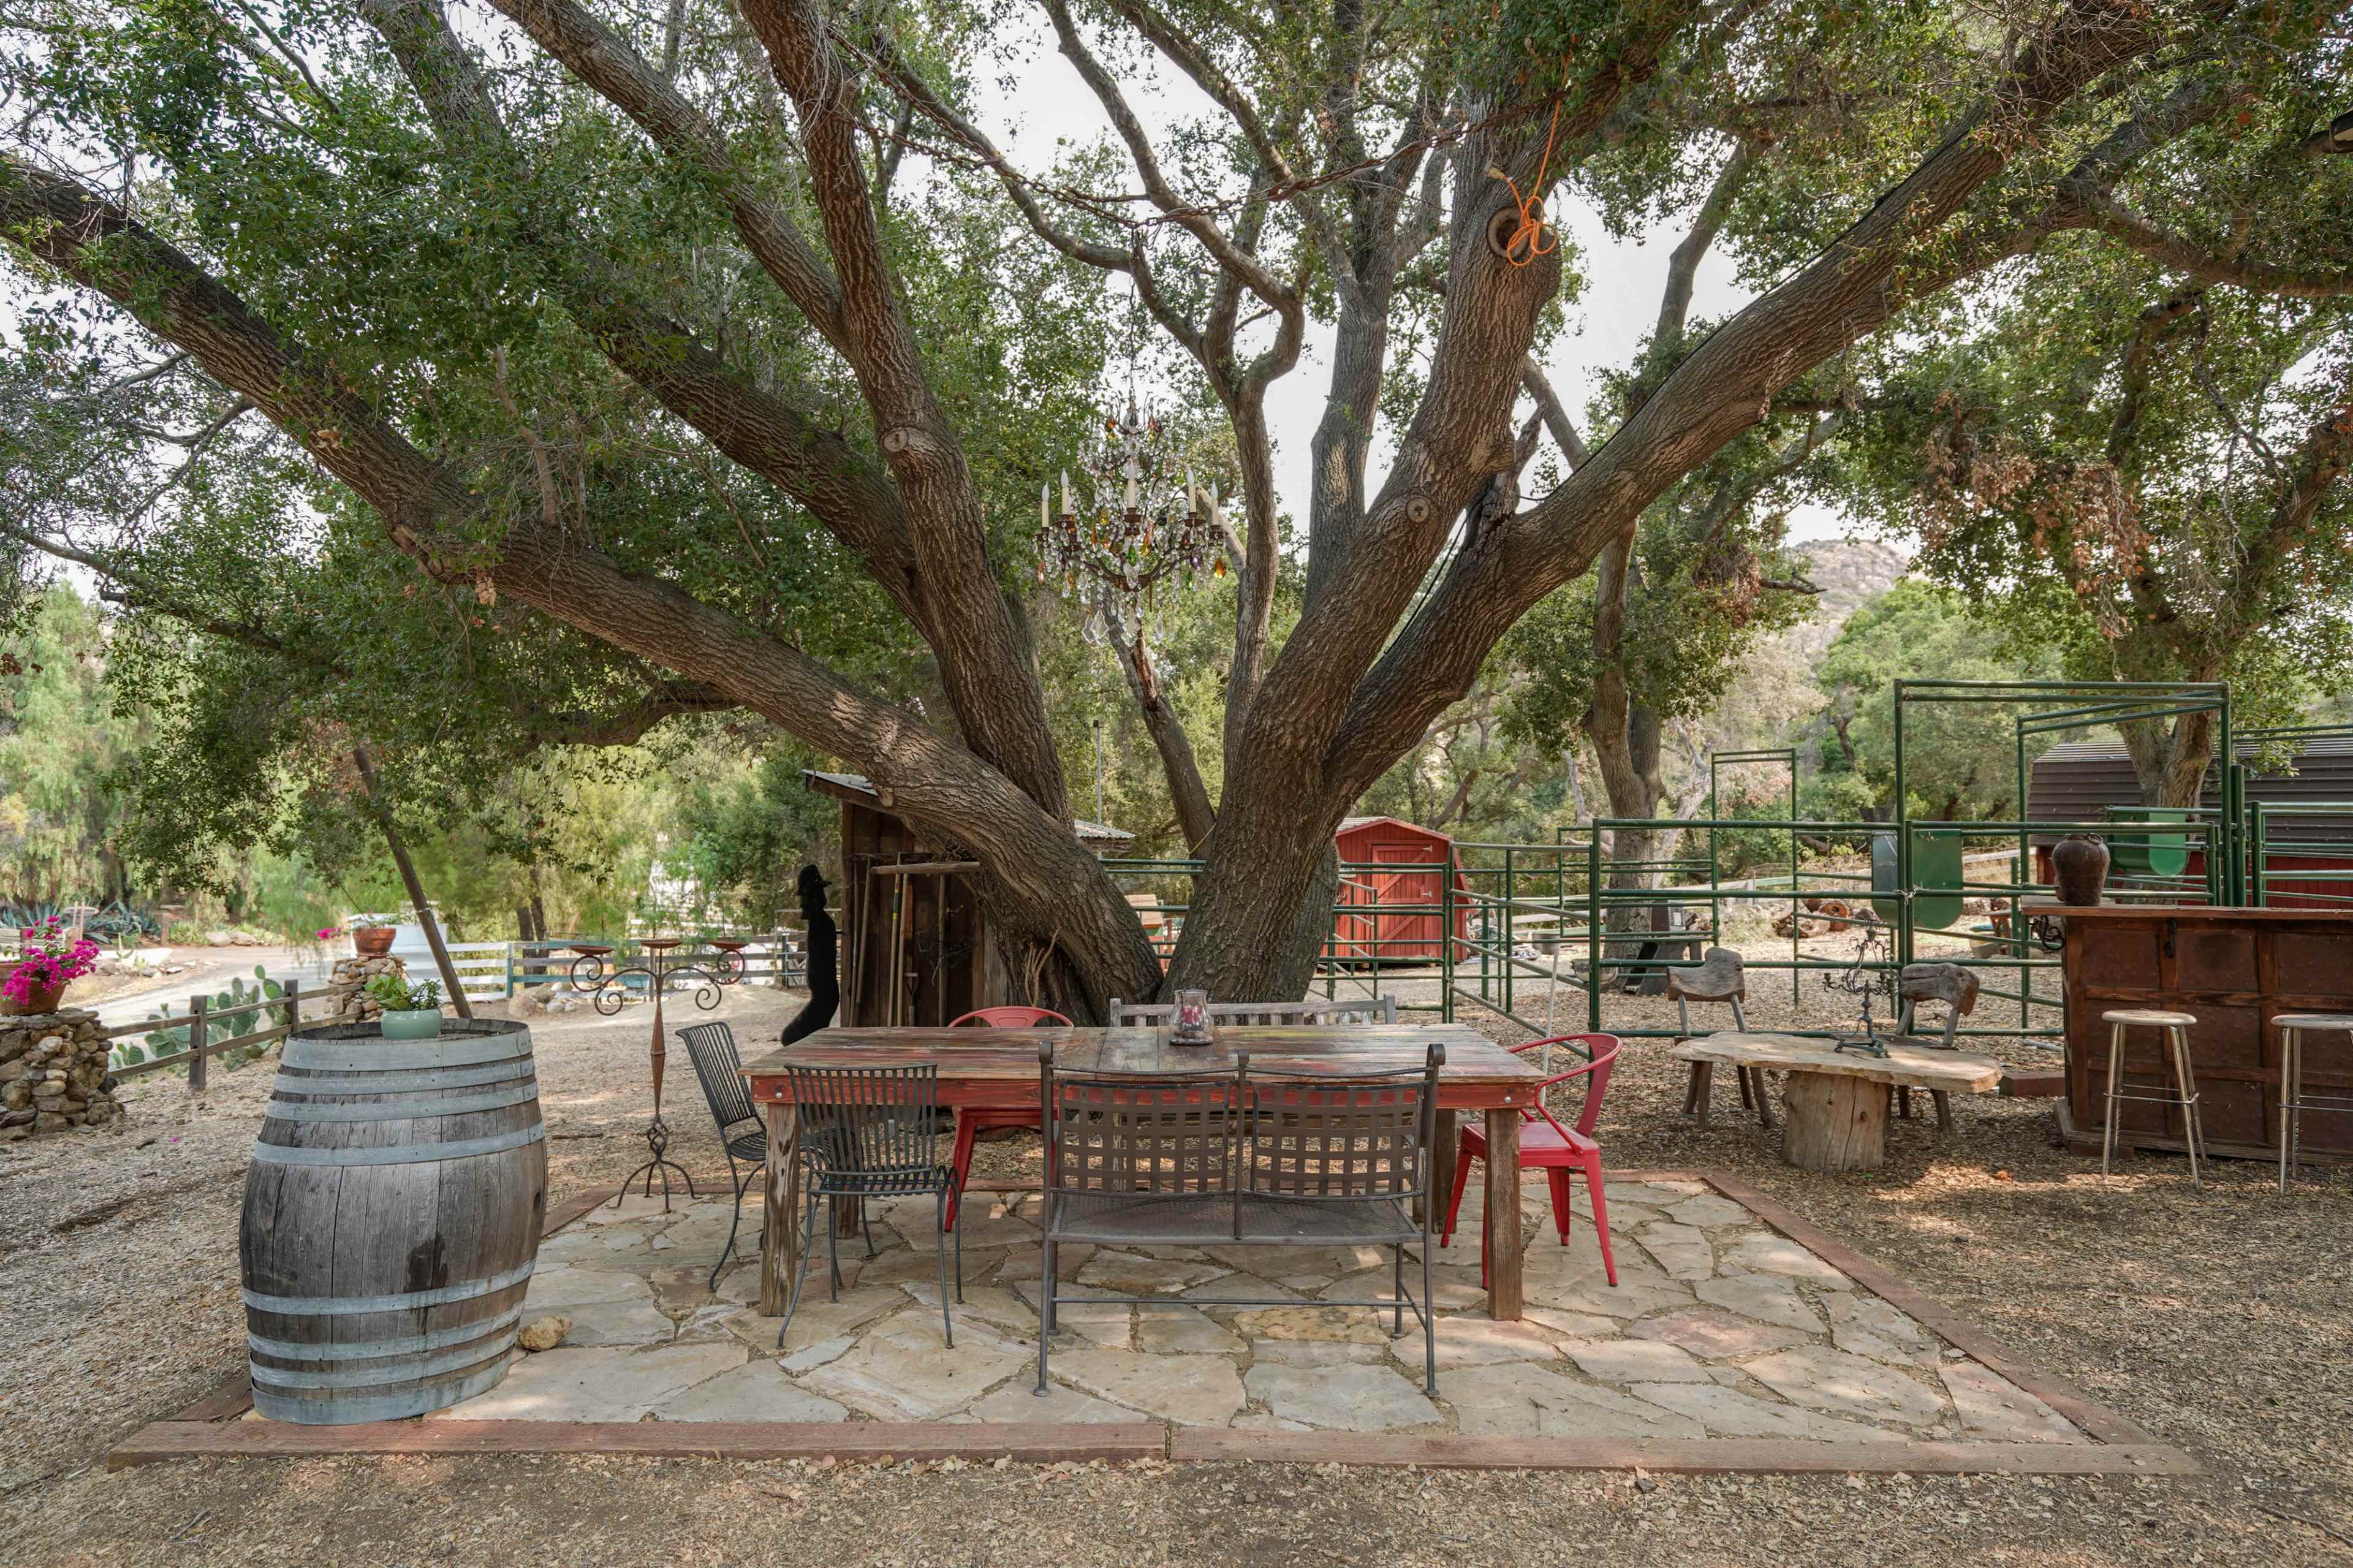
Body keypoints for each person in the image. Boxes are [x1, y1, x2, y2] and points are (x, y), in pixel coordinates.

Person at [780, 863, 838, 1046]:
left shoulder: (822, 923)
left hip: (824, 995)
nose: (801, 903)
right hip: (822, 994)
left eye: (805, 897)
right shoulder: (820, 922)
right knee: (804, 1038)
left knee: (790, 1038)